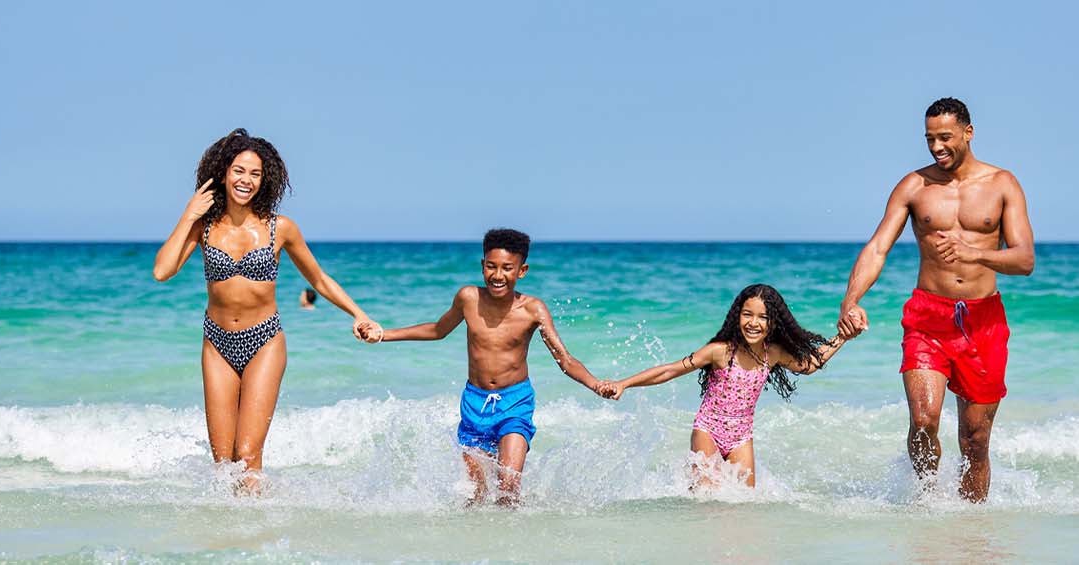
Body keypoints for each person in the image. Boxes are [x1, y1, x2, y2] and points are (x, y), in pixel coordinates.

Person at [151, 128, 383, 494]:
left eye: (255, 174)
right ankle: (230, 527)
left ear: (265, 180)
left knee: (247, 455)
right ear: (223, 173)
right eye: (239, 171)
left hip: (264, 341)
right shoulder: (204, 227)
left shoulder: (280, 228)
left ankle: (257, 521)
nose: (246, 180)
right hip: (217, 343)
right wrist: (188, 214)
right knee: (223, 463)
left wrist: (359, 314)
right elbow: (162, 271)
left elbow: (319, 279)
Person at [836, 98, 1036, 502]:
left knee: (975, 440)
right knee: (924, 420)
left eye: (945, 137)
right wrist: (851, 300)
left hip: (983, 321)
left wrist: (974, 253)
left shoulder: (1002, 184)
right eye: (929, 138)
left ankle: (970, 527)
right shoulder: (914, 186)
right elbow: (878, 247)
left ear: (968, 132)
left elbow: (1024, 259)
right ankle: (925, 504)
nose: (936, 147)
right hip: (928, 316)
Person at [371, 228, 605, 507]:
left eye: (507, 268)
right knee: (476, 496)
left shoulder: (533, 310)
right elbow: (437, 330)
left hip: (515, 403)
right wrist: (383, 334)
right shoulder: (468, 298)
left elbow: (564, 359)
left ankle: (518, 532)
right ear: (482, 265)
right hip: (474, 404)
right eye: (491, 266)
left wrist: (595, 383)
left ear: (522, 271)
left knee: (508, 488)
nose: (497, 275)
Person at [596, 284, 860, 488]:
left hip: (741, 437)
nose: (753, 323)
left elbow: (810, 365)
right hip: (708, 430)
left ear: (773, 323)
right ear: (737, 316)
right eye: (747, 314)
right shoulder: (720, 351)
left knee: (744, 504)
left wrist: (843, 337)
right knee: (707, 497)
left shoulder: (773, 354)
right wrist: (624, 383)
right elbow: (670, 370)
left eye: (763, 317)